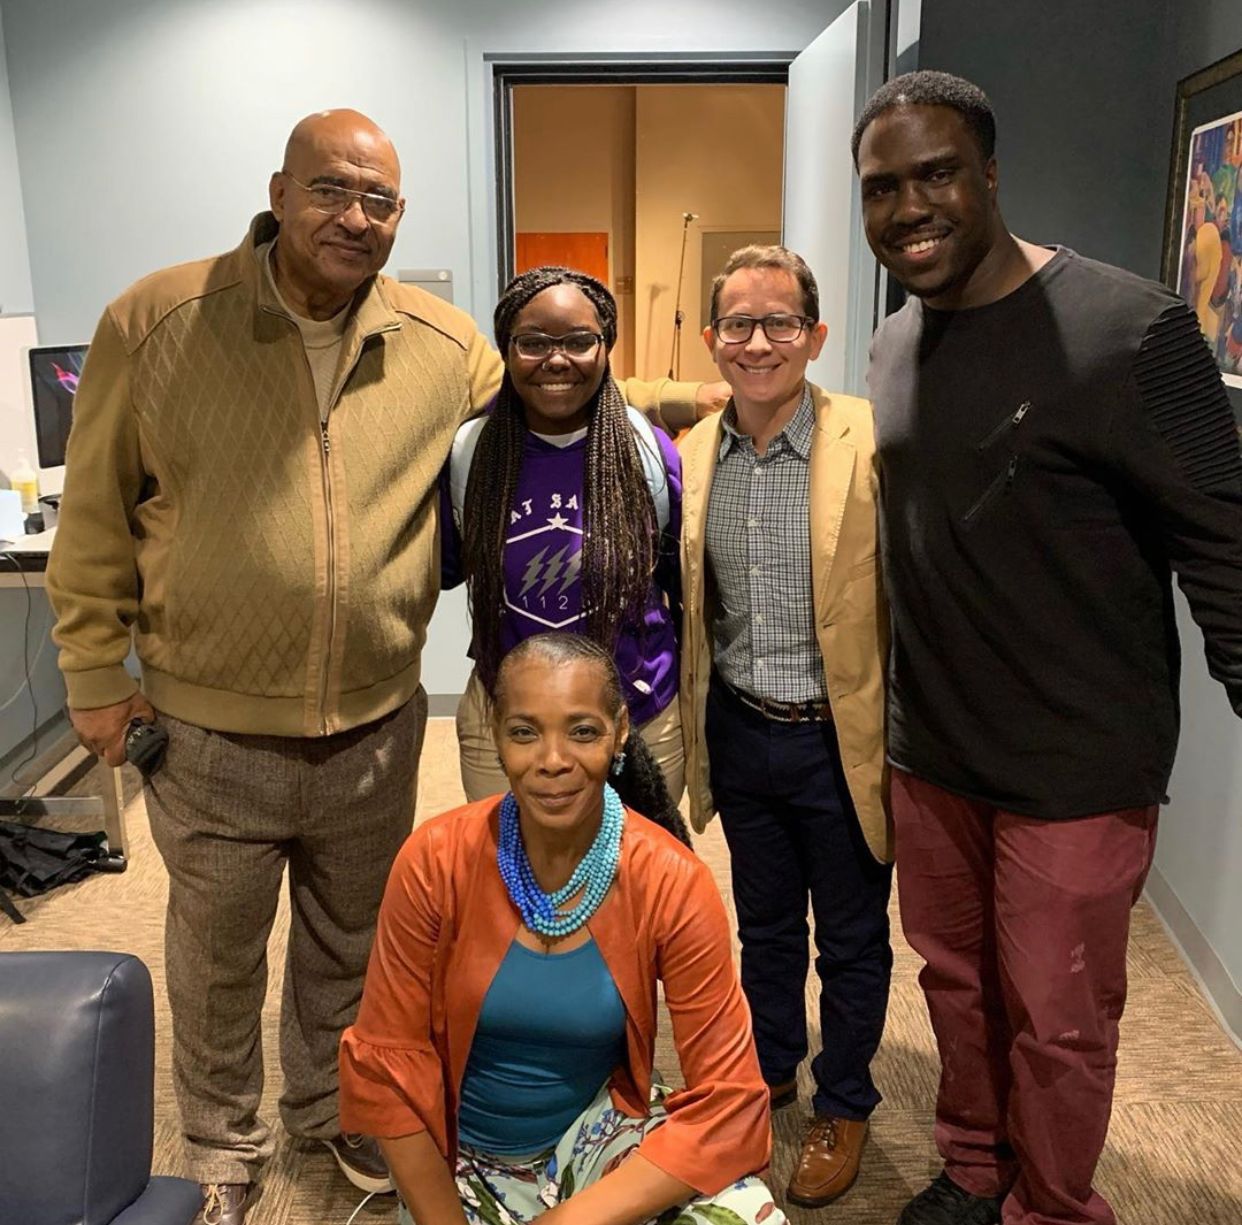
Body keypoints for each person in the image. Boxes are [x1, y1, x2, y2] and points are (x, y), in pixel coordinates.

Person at [45, 108, 705, 1225]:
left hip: (374, 719)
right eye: (331, 190)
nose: (354, 217)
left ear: (400, 216)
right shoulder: (157, 320)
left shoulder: (442, 343)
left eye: (379, 200)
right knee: (216, 949)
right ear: (279, 192)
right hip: (210, 722)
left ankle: (334, 1109)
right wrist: (94, 676)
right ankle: (222, 1139)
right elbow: (96, 511)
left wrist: (718, 400)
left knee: (354, 944)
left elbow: (561, 378)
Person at [854, 70, 1242, 1225]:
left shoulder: (1132, 330)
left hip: (1078, 762)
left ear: (989, 174)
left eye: (935, 175)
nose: (910, 208)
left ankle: (1055, 1205)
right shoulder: (890, 345)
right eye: (882, 187)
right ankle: (976, 1167)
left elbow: (1226, 539)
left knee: (1060, 1018)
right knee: (955, 983)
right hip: (934, 749)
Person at [339, 632, 782, 1225]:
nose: (552, 760)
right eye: (525, 732)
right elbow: (389, 1072)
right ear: (496, 735)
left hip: (594, 1135)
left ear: (619, 732)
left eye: (583, 731)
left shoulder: (670, 880)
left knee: (747, 1214)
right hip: (455, 1151)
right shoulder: (435, 861)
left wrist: (564, 1222)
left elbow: (730, 1100)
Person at [677, 244, 893, 1209]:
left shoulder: (868, 441)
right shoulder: (694, 453)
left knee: (850, 938)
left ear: (815, 334)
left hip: (838, 739)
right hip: (740, 729)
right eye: (738, 324)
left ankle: (844, 1101)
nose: (757, 343)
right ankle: (768, 1076)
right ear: (711, 337)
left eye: (779, 323)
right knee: (763, 929)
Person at [444, 267, 684, 804]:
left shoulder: (646, 450)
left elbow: (679, 583)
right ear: (507, 350)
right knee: (508, 859)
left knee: (635, 858)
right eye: (532, 342)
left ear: (605, 348)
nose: (556, 359)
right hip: (507, 715)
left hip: (638, 713)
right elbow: (447, 566)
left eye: (579, 341)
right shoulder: (472, 451)